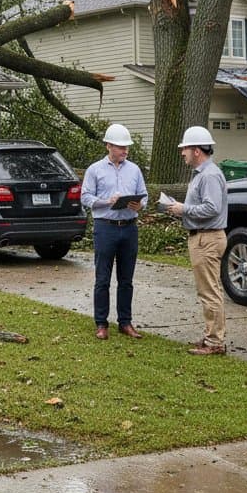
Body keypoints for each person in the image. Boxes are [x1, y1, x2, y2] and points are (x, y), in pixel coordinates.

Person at [81, 123, 147, 340]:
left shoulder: (134, 169)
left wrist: (140, 205)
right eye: (121, 147)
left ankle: (125, 322)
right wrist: (105, 202)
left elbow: (143, 196)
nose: (125, 151)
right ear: (109, 146)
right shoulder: (94, 170)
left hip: (129, 227)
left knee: (126, 279)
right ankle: (101, 323)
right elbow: (85, 197)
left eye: (127, 147)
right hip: (105, 227)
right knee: (102, 278)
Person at [167, 126, 229, 355]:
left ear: (196, 150)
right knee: (207, 290)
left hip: (207, 238)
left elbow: (212, 208)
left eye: (184, 148)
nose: (182, 153)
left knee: (210, 291)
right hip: (202, 236)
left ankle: (215, 342)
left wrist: (183, 209)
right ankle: (211, 336)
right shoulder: (202, 174)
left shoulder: (210, 175)